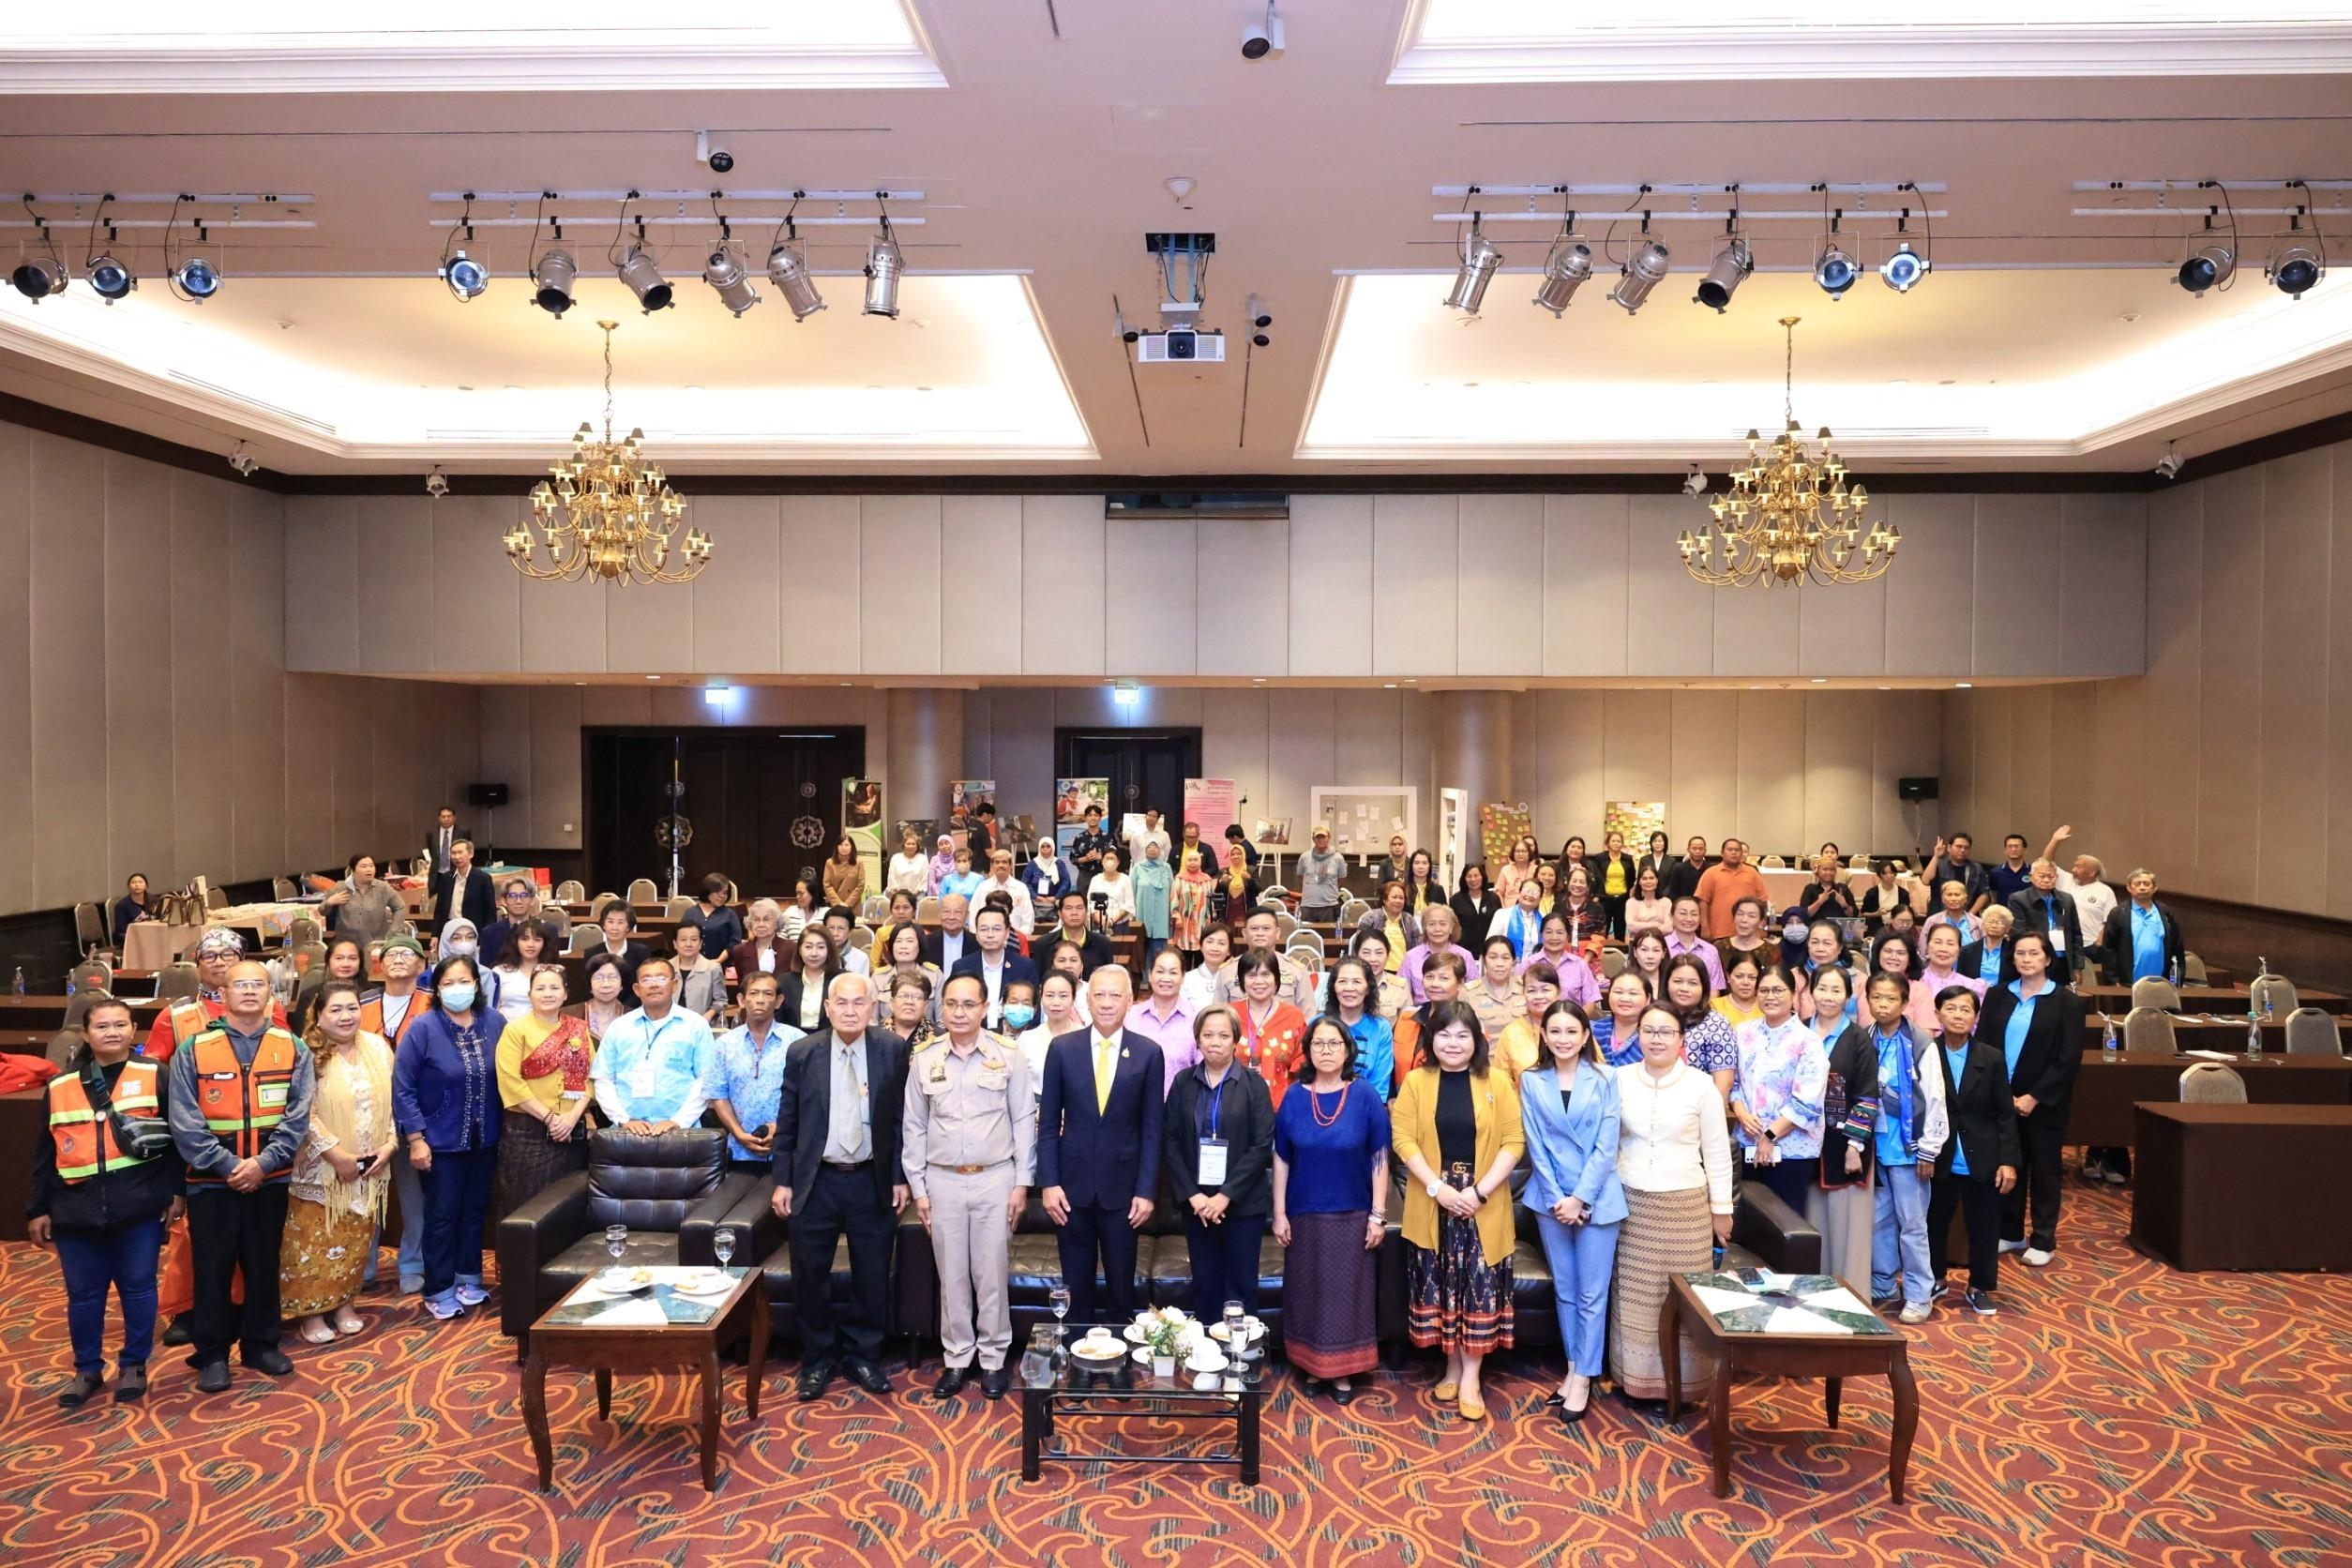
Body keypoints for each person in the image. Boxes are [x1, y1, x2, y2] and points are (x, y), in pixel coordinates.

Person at [167, 959, 314, 1393]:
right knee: (212, 1268)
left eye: (258, 984)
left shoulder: (293, 1047)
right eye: (240, 984)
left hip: (270, 1178)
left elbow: (298, 1116)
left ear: (272, 993)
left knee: (264, 1264)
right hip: (212, 1181)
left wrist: (263, 1164)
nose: (249, 991)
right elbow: (184, 1121)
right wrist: (228, 1165)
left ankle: (260, 1344)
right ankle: (212, 1354)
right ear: (223, 993)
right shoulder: (193, 1049)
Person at [30, 997, 181, 1407]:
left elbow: (176, 1142)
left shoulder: (155, 1074)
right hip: (74, 1208)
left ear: (133, 1031)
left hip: (138, 1205)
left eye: (120, 1025)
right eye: (102, 1026)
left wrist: (176, 1192)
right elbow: (44, 1153)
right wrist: (37, 1209)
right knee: (83, 1295)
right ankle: (87, 1369)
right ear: (85, 1034)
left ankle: (134, 1363)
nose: (112, 1032)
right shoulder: (60, 1086)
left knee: (138, 1287)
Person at [771, 972, 910, 1401]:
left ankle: (864, 1355)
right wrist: (783, 1181)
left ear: (873, 1008)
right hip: (817, 1180)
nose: (850, 1011)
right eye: (842, 1003)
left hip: (871, 1178)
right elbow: (788, 1120)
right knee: (810, 1275)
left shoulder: (892, 1049)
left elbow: (903, 1120)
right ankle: (817, 1358)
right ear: (827, 1008)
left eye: (859, 1002)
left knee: (872, 1274)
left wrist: (899, 1176)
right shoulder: (802, 1052)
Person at [1390, 1000, 1524, 1423]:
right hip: (1434, 1199)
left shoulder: (1496, 1081)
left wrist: (1479, 1193)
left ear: (1477, 1040)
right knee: (1443, 1287)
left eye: (1463, 1035)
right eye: (1444, 1034)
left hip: (1484, 1200)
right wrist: (1439, 1188)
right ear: (1431, 1039)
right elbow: (1403, 1139)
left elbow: (1513, 1141)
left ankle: (1471, 1377)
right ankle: (1450, 1366)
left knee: (1478, 1288)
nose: (1453, 1043)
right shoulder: (1416, 1081)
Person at [904, 971, 1034, 1402]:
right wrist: (919, 1189)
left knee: (991, 1273)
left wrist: (1022, 1183)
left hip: (995, 1178)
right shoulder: (925, 1058)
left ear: (985, 1008)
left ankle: (994, 1359)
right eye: (951, 1004)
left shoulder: (1008, 1055)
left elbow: (1023, 1120)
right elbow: (913, 1127)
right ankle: (957, 1357)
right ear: (941, 1008)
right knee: (952, 1275)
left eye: (968, 1004)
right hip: (942, 1180)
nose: (959, 1012)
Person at [1609, 1004, 1734, 1404]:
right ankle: (1636, 1382)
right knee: (1637, 1300)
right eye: (1649, 1031)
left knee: (1684, 1299)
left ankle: (1686, 1386)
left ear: (1681, 1039)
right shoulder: (1619, 1080)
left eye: (1666, 1032)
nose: (1656, 1039)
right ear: (1639, 1036)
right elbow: (1607, 1143)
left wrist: (1722, 1210)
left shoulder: (1701, 1086)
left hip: (1685, 1208)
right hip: (1632, 1206)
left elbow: (1717, 1151)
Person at [1037, 965, 1165, 1323]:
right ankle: (1078, 1355)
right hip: (1070, 1191)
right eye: (1099, 995)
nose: (1107, 1003)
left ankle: (1121, 1356)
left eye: (1115, 995)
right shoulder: (1062, 1049)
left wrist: (1146, 1191)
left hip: (1123, 1192)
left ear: (1130, 1001)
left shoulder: (1148, 1053)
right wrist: (1049, 1183)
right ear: (1087, 1000)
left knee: (1121, 1291)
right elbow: (1048, 1124)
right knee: (1076, 1290)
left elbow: (1152, 1129)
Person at [1273, 1015, 1389, 1404]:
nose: (1326, 1051)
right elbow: (1281, 1157)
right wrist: (1279, 1212)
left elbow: (1379, 1156)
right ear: (1307, 1050)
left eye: (1334, 1044)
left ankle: (1342, 1372)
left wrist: (1377, 1215)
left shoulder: (1364, 1095)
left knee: (1346, 1295)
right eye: (1318, 1044)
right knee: (1307, 1293)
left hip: (1353, 1214)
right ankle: (1311, 1365)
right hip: (1304, 1213)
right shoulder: (1294, 1096)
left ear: (1347, 1050)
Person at [1519, 1000, 1624, 1424]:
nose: (1563, 1039)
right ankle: (1572, 1367)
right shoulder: (1532, 1080)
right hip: (1550, 1200)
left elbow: (1606, 1143)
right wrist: (1558, 1198)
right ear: (1544, 1036)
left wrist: (1580, 1198)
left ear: (1585, 1037)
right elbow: (1535, 1143)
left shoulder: (1606, 1077)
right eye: (1555, 1031)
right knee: (1565, 1289)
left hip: (1597, 1198)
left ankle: (1583, 1377)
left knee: (1592, 1294)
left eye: (1571, 1031)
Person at [282, 981, 396, 1346]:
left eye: (352, 1008)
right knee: (314, 1242)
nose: (346, 1016)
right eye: (335, 1009)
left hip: (370, 1164)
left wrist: (390, 1145)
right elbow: (301, 1113)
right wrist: (335, 1155)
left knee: (355, 1240)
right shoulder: (304, 1053)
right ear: (318, 1015)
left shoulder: (378, 1047)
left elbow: (395, 1102)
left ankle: (345, 1303)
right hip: (321, 1167)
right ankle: (312, 1313)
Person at [393, 956, 501, 1322]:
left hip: (485, 1137)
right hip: (439, 1139)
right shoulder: (423, 1028)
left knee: (475, 1210)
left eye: (464, 981)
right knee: (442, 1214)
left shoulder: (494, 1022)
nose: (458, 989)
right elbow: (403, 1086)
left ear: (476, 985)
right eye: (449, 983)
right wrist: (416, 1137)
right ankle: (438, 1289)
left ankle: (468, 1278)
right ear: (437, 989)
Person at [1164, 1003, 1276, 1319]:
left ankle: (1240, 1348)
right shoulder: (1183, 1082)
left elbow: (1261, 1145)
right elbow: (1170, 1141)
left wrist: (1225, 1196)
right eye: (1208, 1035)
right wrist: (1194, 1195)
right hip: (1197, 1204)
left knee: (1241, 1285)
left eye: (1223, 1036)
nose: (1215, 1042)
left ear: (1235, 1040)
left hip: (1242, 1204)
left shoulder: (1254, 1085)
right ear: (1197, 1039)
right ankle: (1206, 1346)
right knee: (1205, 1283)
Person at [1975, 931, 2080, 1268]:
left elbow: (2067, 1059)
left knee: (2045, 1172)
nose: (2026, 959)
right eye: (2020, 953)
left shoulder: (2066, 1002)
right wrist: (2000, 1094)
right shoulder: (1998, 995)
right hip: (2002, 1099)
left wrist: (2035, 1097)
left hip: (2044, 1103)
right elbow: (1983, 1045)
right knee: (2009, 1166)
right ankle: (2011, 1231)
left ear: (2047, 958)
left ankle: (2043, 1239)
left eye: (2034, 953)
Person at [1862, 970, 1948, 1325]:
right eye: (1876, 997)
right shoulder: (1864, 1037)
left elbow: (1935, 1097)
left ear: (1904, 1003)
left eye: (1890, 998)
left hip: (1908, 1148)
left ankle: (1918, 1293)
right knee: (1878, 1220)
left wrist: (1929, 1149)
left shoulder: (1920, 1043)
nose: (1883, 1004)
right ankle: (1883, 1283)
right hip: (1873, 1146)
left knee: (1912, 1224)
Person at [1927, 986, 2020, 1316]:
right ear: (1937, 1014)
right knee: (1933, 1222)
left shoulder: (1991, 1057)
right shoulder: (1927, 1053)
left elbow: (2005, 1114)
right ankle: (1936, 1278)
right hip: (1939, 1156)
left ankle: (1979, 1286)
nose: (1958, 1015)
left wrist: (2008, 1161)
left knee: (1984, 1227)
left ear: (1976, 1017)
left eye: (1966, 1009)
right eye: (1950, 1008)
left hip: (1982, 1155)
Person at [1801, 964, 1878, 1301]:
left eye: (1836, 990)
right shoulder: (1799, 1031)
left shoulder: (1859, 1039)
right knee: (1811, 1222)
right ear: (1811, 992)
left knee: (1849, 1229)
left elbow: (1868, 1095)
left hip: (1845, 1146)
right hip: (1803, 1143)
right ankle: (1813, 1295)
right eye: (1822, 988)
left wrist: (1854, 1146)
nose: (1828, 996)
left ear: (1848, 996)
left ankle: (1850, 1299)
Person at [493, 963, 596, 1213]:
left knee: (568, 1205)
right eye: (540, 988)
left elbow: (593, 1077)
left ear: (566, 993)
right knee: (525, 1205)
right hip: (527, 1131)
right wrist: (550, 1119)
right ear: (530, 995)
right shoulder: (515, 1030)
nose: (547, 993)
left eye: (554, 988)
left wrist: (572, 1117)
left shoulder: (579, 1029)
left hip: (572, 1130)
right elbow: (510, 1082)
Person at [1727, 966, 1830, 1211]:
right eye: (1764, 990)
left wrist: (1770, 1136)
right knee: (1748, 1218)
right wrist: (1741, 1113)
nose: (1770, 996)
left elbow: (1808, 1101)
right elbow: (1734, 1082)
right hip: (1747, 1142)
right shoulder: (1743, 1032)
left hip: (1792, 1149)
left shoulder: (1808, 1041)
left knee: (1784, 1220)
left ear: (1793, 994)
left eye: (1777, 990)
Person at [591, 957, 717, 1135]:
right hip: (628, 1132)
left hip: (682, 1132)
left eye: (661, 978)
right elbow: (603, 1078)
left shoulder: (695, 1025)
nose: (654, 985)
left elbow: (705, 1079)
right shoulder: (619, 1027)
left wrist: (679, 1121)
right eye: (647, 980)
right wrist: (623, 1119)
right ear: (636, 989)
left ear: (674, 985)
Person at [704, 971, 805, 1172]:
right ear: (741, 1000)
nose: (760, 1000)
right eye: (753, 993)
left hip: (789, 1150)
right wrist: (738, 1133)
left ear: (779, 1001)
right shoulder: (725, 1044)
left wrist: (781, 1129)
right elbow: (718, 1095)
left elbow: (809, 1095)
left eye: (768, 994)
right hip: (738, 1151)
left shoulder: (798, 1042)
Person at [144, 927, 289, 1062]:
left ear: (241, 961)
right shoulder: (175, 1016)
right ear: (198, 966)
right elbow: (151, 1069)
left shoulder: (269, 1007)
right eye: (209, 956)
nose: (218, 962)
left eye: (227, 954)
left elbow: (288, 1056)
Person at [1229, 951, 1307, 1111]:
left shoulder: (1293, 1016)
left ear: (1276, 978)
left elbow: (1302, 1064)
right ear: (1242, 980)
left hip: (1282, 1108)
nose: (1259, 981)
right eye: (1251, 975)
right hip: (1234, 1107)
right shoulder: (1229, 1015)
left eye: (1266, 974)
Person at [950, 905, 1041, 1031]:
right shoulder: (961, 967)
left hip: (1014, 1036)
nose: (990, 935)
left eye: (996, 929)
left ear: (1007, 933)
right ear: (976, 933)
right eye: (984, 929)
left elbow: (1034, 1010)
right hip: (972, 1035)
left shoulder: (1025, 966)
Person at [1124, 947, 1199, 1093]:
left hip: (1181, 1102)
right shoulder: (1131, 1016)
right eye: (1160, 971)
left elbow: (1203, 1067)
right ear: (1150, 975)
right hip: (1135, 1102)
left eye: (1173, 972)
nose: (1166, 978)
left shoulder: (1196, 1018)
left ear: (1183, 977)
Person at [2042, 825, 2120, 963]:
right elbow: (2045, 864)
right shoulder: (2065, 880)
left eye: (2079, 866)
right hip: (2060, 942)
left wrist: (2100, 941)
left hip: (2090, 945)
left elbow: (2110, 920)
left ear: (2092, 872)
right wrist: (2055, 841)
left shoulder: (2105, 891)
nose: (2073, 869)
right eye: (2074, 865)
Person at [1664, 954, 1739, 1097]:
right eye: (1678, 981)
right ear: (1666, 984)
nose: (1684, 988)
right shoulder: (1656, 1018)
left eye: (1693, 983)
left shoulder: (1717, 1025)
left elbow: (1723, 1084)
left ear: (1704, 987)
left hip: (1699, 1105)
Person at [1218, 907, 1318, 1015]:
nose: (1260, 933)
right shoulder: (1227, 971)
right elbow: (1218, 1013)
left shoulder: (1296, 971)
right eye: (1254, 928)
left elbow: (1308, 1016)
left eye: (1266, 928)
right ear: (1244, 934)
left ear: (1277, 933)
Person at [2098, 867, 2184, 989]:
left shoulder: (2166, 913)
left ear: (2155, 888)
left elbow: (2177, 947)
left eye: (2147, 884)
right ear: (2129, 888)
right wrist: (2113, 980)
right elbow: (2109, 949)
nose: (2142, 887)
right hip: (2127, 983)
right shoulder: (2119, 913)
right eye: (2137, 884)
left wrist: (2175, 980)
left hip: (2162, 983)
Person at [1324, 956, 1396, 1101]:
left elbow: (1380, 1085)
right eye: (1342, 981)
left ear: (1368, 988)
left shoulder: (1381, 1028)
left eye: (1357, 982)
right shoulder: (1318, 1025)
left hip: (1366, 1105)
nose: (1349, 988)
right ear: (1333, 987)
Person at [2005, 859, 2083, 984]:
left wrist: (2077, 966)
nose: (2046, 880)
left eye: (2051, 876)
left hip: (2062, 960)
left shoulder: (2067, 899)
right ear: (2031, 876)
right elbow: (2018, 933)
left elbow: (2076, 935)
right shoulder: (2018, 899)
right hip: (2035, 960)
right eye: (2042, 876)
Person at [1488, 959, 1561, 1086]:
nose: (1538, 996)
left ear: (1558, 992)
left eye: (1545, 990)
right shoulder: (1511, 1033)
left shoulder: (1573, 1026)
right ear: (1524, 994)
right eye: (1531, 991)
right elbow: (1501, 1081)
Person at [320, 852, 407, 948]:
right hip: (346, 945)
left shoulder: (382, 888)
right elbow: (322, 911)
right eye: (364, 866)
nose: (369, 869)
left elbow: (400, 907)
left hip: (375, 944)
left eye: (371, 866)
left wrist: (393, 932)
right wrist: (329, 903)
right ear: (353, 870)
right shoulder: (341, 887)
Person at [1909, 923, 1983, 1035]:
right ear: (1927, 946)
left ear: (1959, 950)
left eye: (1950, 944)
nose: (1943, 949)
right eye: (1938, 942)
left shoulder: (1973, 986)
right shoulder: (1913, 983)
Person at [288, 937, 367, 1038]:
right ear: (328, 961)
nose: (346, 964)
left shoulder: (371, 994)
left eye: (353, 958)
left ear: (361, 962)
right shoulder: (310, 995)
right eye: (339, 958)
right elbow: (301, 1034)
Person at [1401, 904, 1477, 1006]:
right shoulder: (1411, 957)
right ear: (1425, 928)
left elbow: (1474, 993)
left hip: (1456, 1012)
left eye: (1443, 924)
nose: (1437, 929)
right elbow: (1402, 994)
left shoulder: (1465, 956)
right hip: (1419, 1013)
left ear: (1451, 928)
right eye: (1431, 924)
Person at [1694, 838, 1766, 941]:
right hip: (1719, 932)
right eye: (1730, 849)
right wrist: (1704, 927)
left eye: (1737, 850)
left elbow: (1762, 901)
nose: (1734, 852)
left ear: (1742, 854)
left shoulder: (1752, 873)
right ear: (1722, 853)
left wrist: (1762, 927)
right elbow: (1703, 901)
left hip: (1749, 932)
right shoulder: (1710, 873)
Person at [1018, 970, 1083, 1082]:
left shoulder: (1086, 1037)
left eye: (1063, 996)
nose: (1056, 1002)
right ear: (1041, 997)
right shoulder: (1027, 1039)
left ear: (1073, 999)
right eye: (1049, 995)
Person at [1528, 913, 1603, 1008]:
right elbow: (1520, 998)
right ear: (1541, 934)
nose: (1554, 937)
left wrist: (1576, 1018)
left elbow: (1590, 1001)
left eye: (1560, 933)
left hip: (1574, 1017)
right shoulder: (1529, 963)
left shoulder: (1580, 965)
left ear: (1568, 936)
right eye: (1549, 932)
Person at [1034, 889, 1113, 979]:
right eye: (1068, 908)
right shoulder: (1043, 944)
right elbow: (1038, 981)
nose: (1074, 913)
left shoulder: (1103, 944)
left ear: (1087, 912)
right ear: (1060, 914)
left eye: (1079, 908)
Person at [481, 920, 550, 1022]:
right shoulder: (499, 972)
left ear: (544, 943)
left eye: (537, 939)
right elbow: (490, 1008)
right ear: (515, 942)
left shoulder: (551, 973)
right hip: (505, 1029)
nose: (531, 944)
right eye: (524, 939)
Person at [781, 927, 846, 1033]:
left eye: (821, 947)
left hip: (830, 1038)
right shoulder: (785, 981)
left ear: (829, 950)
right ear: (799, 950)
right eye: (808, 947)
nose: (814, 953)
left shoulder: (843, 980)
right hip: (793, 1039)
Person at [1462, 937, 1526, 1043]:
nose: (1499, 963)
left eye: (1505, 958)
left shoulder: (1526, 988)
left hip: (1521, 1052)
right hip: (1486, 1053)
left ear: (1514, 962)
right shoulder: (1468, 993)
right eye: (1493, 957)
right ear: (1483, 960)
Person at [727, 899, 792, 999]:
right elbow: (742, 984)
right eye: (756, 920)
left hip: (783, 1005)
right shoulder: (740, 950)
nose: (761, 924)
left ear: (776, 923)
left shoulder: (791, 949)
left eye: (767, 919)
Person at [588, 900, 649, 1005]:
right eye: (610, 922)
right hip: (600, 1007)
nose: (614, 927)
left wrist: (623, 1008)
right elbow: (588, 987)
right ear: (603, 925)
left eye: (620, 922)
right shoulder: (591, 953)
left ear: (628, 927)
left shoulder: (641, 952)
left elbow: (643, 986)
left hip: (632, 1009)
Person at [1591, 969, 1653, 1068]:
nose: (1624, 999)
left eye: (1633, 993)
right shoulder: (1592, 1030)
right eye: (1618, 992)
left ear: (1648, 999)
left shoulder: (1654, 1035)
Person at [1664, 897, 1727, 991]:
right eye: (1683, 913)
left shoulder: (1710, 951)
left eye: (1694, 914)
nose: (1689, 919)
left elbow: (1715, 988)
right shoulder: (1662, 946)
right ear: (1671, 916)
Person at [669, 921, 726, 1025]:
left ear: (700, 944)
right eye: (683, 939)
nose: (688, 944)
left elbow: (721, 1001)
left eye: (694, 939)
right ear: (675, 944)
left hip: (702, 1025)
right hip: (670, 1024)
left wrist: (707, 1016)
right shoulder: (666, 968)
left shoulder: (713, 968)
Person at [479, 877, 543, 968]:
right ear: (504, 901)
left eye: (524, 895)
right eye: (512, 896)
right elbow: (485, 971)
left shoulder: (548, 931)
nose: (518, 901)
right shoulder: (489, 933)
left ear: (532, 900)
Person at [570, 951, 630, 1046]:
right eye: (598, 978)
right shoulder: (570, 1015)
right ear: (590, 985)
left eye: (612, 977)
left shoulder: (633, 1017)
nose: (605, 984)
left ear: (622, 984)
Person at [973, 848, 1038, 938]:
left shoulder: (1021, 888)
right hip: (988, 939)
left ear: (1010, 865)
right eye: (997, 862)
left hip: (1015, 939)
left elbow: (1028, 917)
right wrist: (979, 937)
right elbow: (974, 915)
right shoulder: (982, 888)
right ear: (992, 865)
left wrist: (1019, 938)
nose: (1001, 865)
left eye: (1004, 862)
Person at [1358, 880, 1424, 964]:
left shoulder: (1408, 919)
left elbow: (1417, 946)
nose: (1398, 901)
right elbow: (1359, 944)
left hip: (1403, 969)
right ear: (1384, 899)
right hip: (1375, 967)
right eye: (1394, 897)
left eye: (1401, 898)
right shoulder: (1370, 917)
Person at [1168, 848, 1215, 965]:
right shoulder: (1179, 879)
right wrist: (1176, 917)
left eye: (1195, 860)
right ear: (1185, 862)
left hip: (1202, 924)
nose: (1193, 862)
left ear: (1200, 862)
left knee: (1201, 955)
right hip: (1184, 924)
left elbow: (1211, 901)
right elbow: (1174, 899)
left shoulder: (1207, 880)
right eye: (1190, 860)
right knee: (1185, 958)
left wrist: (1211, 918)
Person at [438, 837, 495, 931]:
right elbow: (439, 910)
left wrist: (487, 934)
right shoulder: (446, 878)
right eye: (453, 853)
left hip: (474, 930)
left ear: (471, 854)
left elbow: (490, 912)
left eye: (460, 852)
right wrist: (435, 934)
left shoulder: (483, 878)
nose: (457, 857)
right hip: (449, 928)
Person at [1925, 833, 1989, 914]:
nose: (1962, 850)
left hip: (1967, 913)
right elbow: (1926, 881)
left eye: (1966, 848)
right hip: (1940, 914)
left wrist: (1970, 914)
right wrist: (1936, 856)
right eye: (1959, 846)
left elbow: (1984, 893)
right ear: (1949, 848)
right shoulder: (1940, 864)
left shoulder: (1976, 868)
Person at [1132, 838, 1174, 959]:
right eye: (1149, 847)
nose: (1152, 849)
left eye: (1155, 846)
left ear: (1160, 850)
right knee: (1141, 953)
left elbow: (1172, 892)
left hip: (1161, 918)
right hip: (1142, 915)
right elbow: (1132, 892)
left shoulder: (1166, 868)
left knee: (1159, 953)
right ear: (1144, 850)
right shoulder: (1138, 867)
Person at [1959, 902, 2017, 988]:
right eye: (1990, 921)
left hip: (2004, 994)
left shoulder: (2014, 951)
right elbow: (1961, 979)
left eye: (1999, 922)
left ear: (2008, 928)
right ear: (1983, 925)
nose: (1994, 925)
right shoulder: (1967, 951)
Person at [1178, 924, 1234, 1013]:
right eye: (1210, 942)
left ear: (1229, 951)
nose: (1215, 948)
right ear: (1201, 946)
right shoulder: (1186, 979)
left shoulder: (1234, 980)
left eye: (1221, 943)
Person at [1297, 825, 1347, 925]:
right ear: (1313, 839)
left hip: (1329, 905)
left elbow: (1342, 879)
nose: (1320, 840)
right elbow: (1300, 877)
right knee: (1307, 934)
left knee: (1329, 934)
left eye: (1323, 837)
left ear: (1329, 838)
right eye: (1317, 837)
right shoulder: (1304, 857)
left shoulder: (1338, 858)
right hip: (1308, 905)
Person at [1713, 896, 1775, 974]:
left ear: (1761, 923)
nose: (1744, 920)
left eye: (1751, 916)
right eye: (1740, 914)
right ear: (1734, 918)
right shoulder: (1719, 947)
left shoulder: (1771, 951)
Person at [1593, 832, 1638, 940]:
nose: (1616, 843)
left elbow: (1631, 878)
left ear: (1622, 844)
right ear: (1608, 843)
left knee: (1620, 930)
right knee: (1602, 930)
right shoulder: (1599, 858)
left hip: (1622, 900)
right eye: (1613, 841)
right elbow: (1597, 878)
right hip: (1604, 900)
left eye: (1619, 841)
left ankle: (1620, 949)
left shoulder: (1628, 859)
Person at [1491, 876, 1546, 960]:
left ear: (1540, 898)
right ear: (1519, 892)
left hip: (1536, 966)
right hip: (1509, 965)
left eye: (1535, 893)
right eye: (1526, 891)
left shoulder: (1544, 918)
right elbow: (1490, 945)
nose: (1530, 895)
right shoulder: (1502, 915)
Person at [424, 805, 465, 917]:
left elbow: (467, 849)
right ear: (439, 818)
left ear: (454, 818)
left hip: (455, 872)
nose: (446, 819)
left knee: (454, 903)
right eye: (443, 816)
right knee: (435, 906)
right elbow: (431, 850)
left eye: (449, 816)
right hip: (436, 875)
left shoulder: (462, 831)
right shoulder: (431, 832)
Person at [1213, 838, 1262, 928]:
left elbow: (1257, 891)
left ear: (1243, 855)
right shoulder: (1224, 871)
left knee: (1246, 932)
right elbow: (1217, 893)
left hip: (1246, 909)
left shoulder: (1251, 870)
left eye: (1238, 854)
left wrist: (1249, 879)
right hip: (1228, 911)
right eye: (1232, 854)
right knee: (1229, 932)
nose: (1235, 856)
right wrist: (1221, 883)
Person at [1858, 859, 1916, 935]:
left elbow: (1906, 913)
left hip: (1898, 928)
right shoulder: (1872, 893)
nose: (1889, 876)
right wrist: (1876, 914)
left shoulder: (1903, 893)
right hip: (1877, 929)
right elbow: (1863, 914)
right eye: (1885, 873)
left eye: (1892, 872)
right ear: (1879, 875)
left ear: (1895, 874)